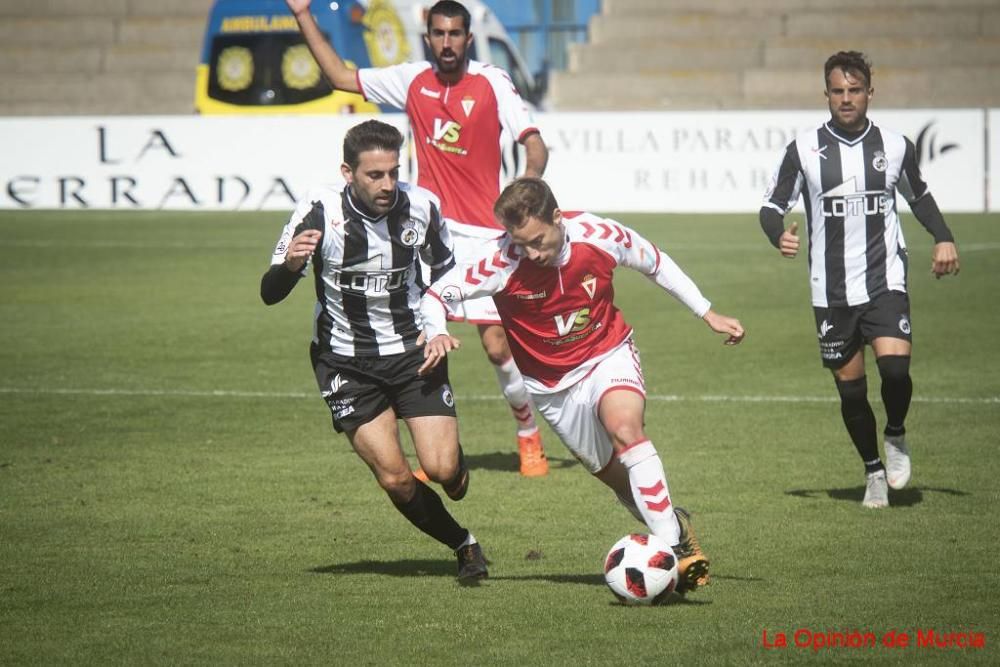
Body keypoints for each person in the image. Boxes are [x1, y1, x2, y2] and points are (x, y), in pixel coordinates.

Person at [418, 177, 746, 593]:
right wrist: (435, 330)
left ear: (558, 217)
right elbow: (436, 295)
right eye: (521, 244)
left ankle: (675, 553)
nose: (532, 252)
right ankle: (672, 526)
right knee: (618, 478)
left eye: (538, 239)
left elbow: (656, 263)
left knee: (626, 429)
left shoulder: (601, 235)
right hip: (552, 387)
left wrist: (707, 312)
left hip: (608, 354)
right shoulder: (498, 261)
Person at [286, 0, 552, 477]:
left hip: (483, 237)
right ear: (427, 36)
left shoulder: (491, 81)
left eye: (455, 34)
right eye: (438, 34)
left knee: (496, 347)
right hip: (420, 236)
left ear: (468, 38)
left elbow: (532, 140)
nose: (447, 43)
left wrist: (528, 184)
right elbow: (341, 78)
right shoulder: (412, 79)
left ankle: (528, 433)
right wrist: (304, 14)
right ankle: (433, 440)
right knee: (416, 339)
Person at [260, 119, 488, 583]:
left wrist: (439, 326)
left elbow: (448, 276)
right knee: (396, 479)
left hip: (412, 353)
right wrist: (290, 265)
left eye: (393, 173)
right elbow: (270, 292)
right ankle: (464, 545)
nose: (387, 185)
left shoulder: (422, 206)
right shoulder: (318, 209)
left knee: (442, 470)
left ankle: (452, 464)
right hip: (344, 362)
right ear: (348, 173)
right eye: (374, 175)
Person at [759, 51, 960, 509]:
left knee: (895, 370)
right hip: (830, 291)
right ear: (826, 94)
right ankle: (873, 471)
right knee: (851, 389)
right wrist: (778, 236)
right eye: (837, 91)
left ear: (870, 92)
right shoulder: (803, 149)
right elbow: (772, 206)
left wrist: (944, 237)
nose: (846, 99)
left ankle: (895, 433)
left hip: (884, 278)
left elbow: (920, 197)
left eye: (854, 90)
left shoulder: (895, 146)